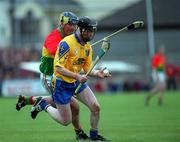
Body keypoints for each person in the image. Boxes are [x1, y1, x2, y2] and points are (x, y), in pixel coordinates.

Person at [30, 16, 111, 141]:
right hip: (61, 84)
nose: (91, 34)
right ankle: (43, 104)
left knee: (95, 107)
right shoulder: (66, 43)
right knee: (65, 120)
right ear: (81, 29)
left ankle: (94, 137)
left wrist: (97, 73)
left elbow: (86, 68)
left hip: (75, 82)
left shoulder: (87, 47)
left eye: (92, 31)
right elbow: (58, 68)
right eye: (88, 31)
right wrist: (78, 76)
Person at [15, 12, 89, 140]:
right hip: (49, 77)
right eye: (69, 24)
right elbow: (58, 52)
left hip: (61, 78)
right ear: (61, 23)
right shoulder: (53, 37)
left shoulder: (71, 38)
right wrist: (75, 49)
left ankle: (27, 100)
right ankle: (42, 104)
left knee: (75, 107)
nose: (72, 28)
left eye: (74, 25)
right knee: (70, 109)